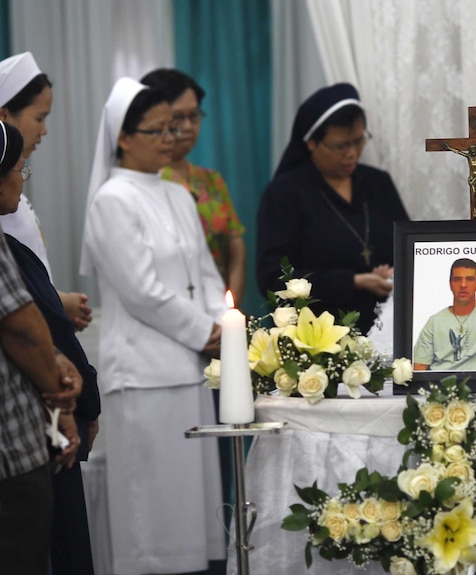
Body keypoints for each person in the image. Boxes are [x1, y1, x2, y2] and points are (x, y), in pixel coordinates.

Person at [80, 78, 226, 575]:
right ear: (123, 137)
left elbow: (206, 273)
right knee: (152, 516)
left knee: (191, 515)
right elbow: (142, 291)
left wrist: (220, 326)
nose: (172, 137)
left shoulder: (178, 195)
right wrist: (208, 333)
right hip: (143, 375)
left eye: (175, 127)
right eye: (158, 129)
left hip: (190, 370)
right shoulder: (113, 200)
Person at [0, 52, 100, 575]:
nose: (42, 132)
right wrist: (68, 389)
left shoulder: (16, 201)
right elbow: (18, 317)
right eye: (37, 118)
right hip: (24, 414)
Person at [257, 83, 409, 334]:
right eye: (340, 146)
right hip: (316, 337)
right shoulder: (284, 194)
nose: (352, 153)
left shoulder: (377, 183)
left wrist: (391, 271)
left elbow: (405, 247)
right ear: (311, 143)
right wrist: (353, 282)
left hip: (388, 329)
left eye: (359, 141)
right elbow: (272, 278)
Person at [0, 52, 93, 332]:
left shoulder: (16, 192)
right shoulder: (4, 197)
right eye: (39, 118)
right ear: (4, 116)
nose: (44, 131)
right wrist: (59, 302)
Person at [140, 68, 247, 303]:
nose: (188, 126)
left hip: (219, 308)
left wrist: (229, 307)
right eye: (178, 118)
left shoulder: (211, 180)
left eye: (194, 116)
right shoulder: (145, 183)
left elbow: (235, 249)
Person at [413, 258, 476, 370]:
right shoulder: (434, 321)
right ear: (450, 284)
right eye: (457, 279)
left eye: (469, 279)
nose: (463, 285)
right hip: (441, 384)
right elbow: (420, 366)